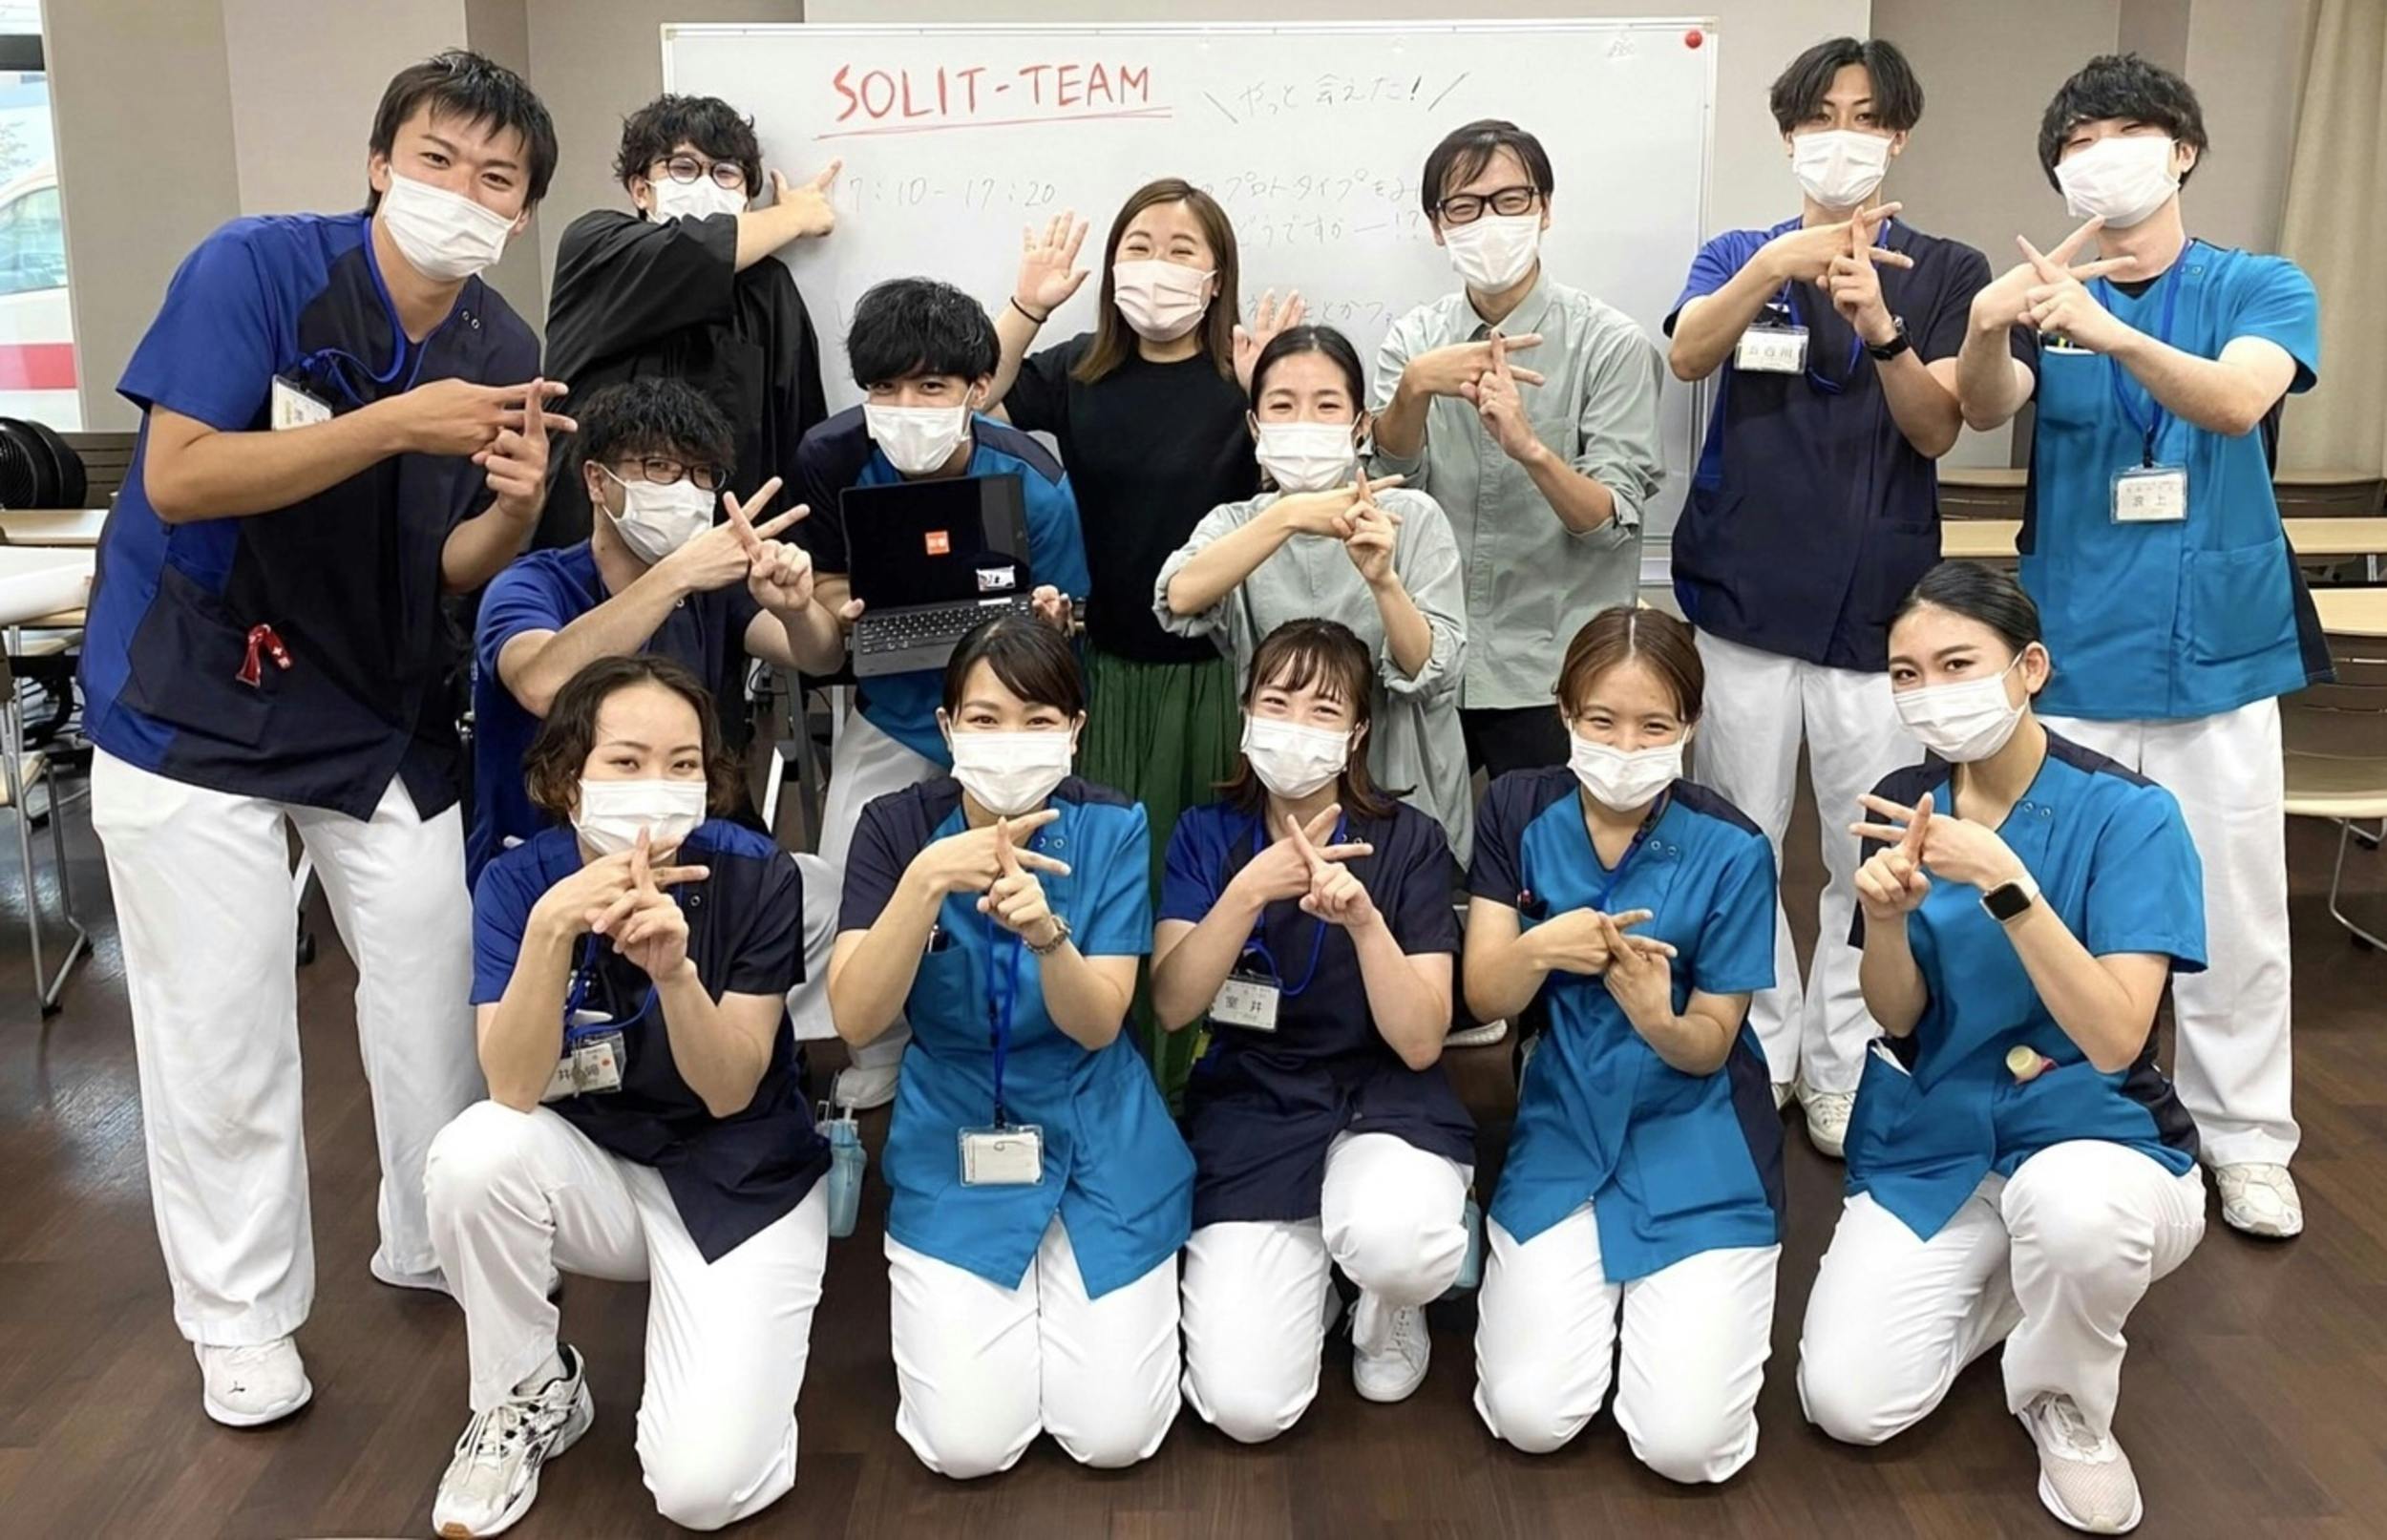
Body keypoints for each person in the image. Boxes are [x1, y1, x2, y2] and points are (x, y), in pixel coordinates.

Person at [79, 51, 561, 1426]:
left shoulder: (503, 350)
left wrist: (516, 514)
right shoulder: (256, 270)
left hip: (368, 698)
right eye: (436, 159)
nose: (461, 192)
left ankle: (430, 1230)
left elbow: (442, 566)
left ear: (522, 210)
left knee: (434, 972)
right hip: (195, 689)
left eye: (496, 178)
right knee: (220, 1025)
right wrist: (392, 424)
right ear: (378, 163)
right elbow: (181, 474)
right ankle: (240, 1318)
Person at [1952, 53, 2324, 1238]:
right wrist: (1985, 325)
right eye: (2076, 142)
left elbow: (2234, 401)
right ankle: (2066, 1115)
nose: (2098, 155)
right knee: (2056, 906)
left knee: (2234, 911)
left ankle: (2246, 1140)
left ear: (2182, 150)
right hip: (2074, 648)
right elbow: (1981, 407)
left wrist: (2106, 333)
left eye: (2123, 131)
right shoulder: (2047, 291)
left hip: (2214, 649)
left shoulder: (2258, 283)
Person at [1799, 562, 2208, 1536]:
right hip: (1940, 1135)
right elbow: (1898, 1015)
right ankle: (2037, 1292)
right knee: (1848, 1402)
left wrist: (2008, 884)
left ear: (2029, 667)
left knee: (2072, 1214)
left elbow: (2115, 1034)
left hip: (2092, 1135)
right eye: (1906, 673)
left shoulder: (2131, 814)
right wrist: (1885, 921)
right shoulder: (1902, 800)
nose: (1929, 691)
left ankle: (2064, 1399)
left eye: (1956, 663)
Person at [1665, 36, 1990, 1150]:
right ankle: (1757, 1044)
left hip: (1877, 612)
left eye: (1863, 117)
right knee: (1743, 839)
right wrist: (1773, 269)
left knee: (1866, 852)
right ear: (1787, 134)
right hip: (1743, 598)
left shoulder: (1946, 269)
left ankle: (1845, 1060)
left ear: (1897, 136)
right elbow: (1687, 356)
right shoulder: (1737, 253)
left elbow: (1936, 426)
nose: (1839, 137)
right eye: (1819, 116)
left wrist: (1878, 325)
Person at [428, 656, 831, 1536]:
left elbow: (730, 1090)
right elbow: (512, 1087)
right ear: (568, 778)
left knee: (702, 1489)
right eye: (626, 761)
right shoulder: (518, 886)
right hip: (599, 1170)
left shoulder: (758, 875)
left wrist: (676, 974)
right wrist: (551, 930)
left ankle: (740, 1362)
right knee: (472, 1153)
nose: (657, 785)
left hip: (743, 1176)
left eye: (682, 764)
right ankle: (527, 1388)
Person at [827, 616, 1192, 1479]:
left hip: (1098, 1125)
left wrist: (1048, 938)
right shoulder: (895, 830)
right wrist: (924, 884)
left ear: (1074, 729)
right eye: (985, 719)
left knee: (1113, 1435)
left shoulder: (1112, 826)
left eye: (1038, 719)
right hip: (958, 1129)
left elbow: (1099, 1021)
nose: (1010, 739)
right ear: (947, 727)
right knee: (968, 1445)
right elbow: (856, 1017)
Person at [987, 178, 1302, 1094]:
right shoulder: (1077, 371)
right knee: (1102, 887)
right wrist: (1026, 307)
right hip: (1104, 672)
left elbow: (1296, 504)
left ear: (1217, 276)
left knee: (1202, 887)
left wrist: (1266, 396)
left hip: (1217, 680)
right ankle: (1109, 1080)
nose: (1157, 266)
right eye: (1139, 246)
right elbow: (977, 393)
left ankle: (1200, 1086)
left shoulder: (1240, 379)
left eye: (1180, 250)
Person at [1467, 607, 1782, 1484]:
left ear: (1690, 725)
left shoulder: (1734, 847)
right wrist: (1539, 947)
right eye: (1602, 720)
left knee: (1685, 1445)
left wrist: (1656, 1015)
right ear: (1564, 711)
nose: (1626, 746)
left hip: (1697, 1128)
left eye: (1654, 725)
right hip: (1567, 1115)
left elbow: (1710, 1043)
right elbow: (1486, 994)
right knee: (1530, 1417)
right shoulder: (1517, 808)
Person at [1155, 619, 1473, 1433]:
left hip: (1385, 1096)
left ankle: (1388, 1297)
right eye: (1276, 701)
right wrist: (1246, 893)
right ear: (1246, 713)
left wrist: (1366, 924)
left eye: (1324, 709)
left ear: (1358, 732)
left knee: (1397, 1238)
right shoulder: (1206, 835)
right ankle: (1320, 1273)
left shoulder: (1410, 843)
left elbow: (1421, 1041)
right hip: (1256, 1104)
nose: (1295, 724)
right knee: (1245, 1407)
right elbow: (1174, 1004)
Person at [792, 277, 1088, 1111]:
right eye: (884, 388)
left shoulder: (1035, 479)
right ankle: (879, 1043)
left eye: (930, 386)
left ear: (978, 388)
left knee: (1029, 872)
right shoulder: (831, 456)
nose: (905, 408)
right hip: (895, 702)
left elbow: (1072, 613)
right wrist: (838, 606)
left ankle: (1019, 1033)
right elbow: (824, 580)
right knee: (852, 869)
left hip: (1007, 704)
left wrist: (1051, 622)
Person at [540, 94, 838, 751]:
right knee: (578, 732)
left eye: (726, 173)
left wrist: (794, 577)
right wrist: (795, 216)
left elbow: (796, 430)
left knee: (697, 738)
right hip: (586, 552)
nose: (705, 183)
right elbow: (695, 254)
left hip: (716, 578)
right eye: (682, 167)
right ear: (639, 188)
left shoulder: (769, 291)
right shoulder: (598, 247)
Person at [1370, 118, 1665, 780]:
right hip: (1430, 656)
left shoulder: (1609, 344)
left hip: (1554, 671)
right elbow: (1391, 488)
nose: (1490, 222)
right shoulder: (1415, 341)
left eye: (1510, 200)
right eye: (1464, 207)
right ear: (1438, 225)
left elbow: (1610, 524)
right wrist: (1413, 390)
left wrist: (1531, 448)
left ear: (1544, 209)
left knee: (1546, 843)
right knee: (1415, 841)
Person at [470, 376, 845, 884]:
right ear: (597, 481)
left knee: (819, 888)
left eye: (701, 474)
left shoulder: (713, 588)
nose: (685, 491)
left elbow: (820, 656)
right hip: (548, 855)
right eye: (659, 467)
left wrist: (797, 608)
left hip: (690, 848)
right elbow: (541, 684)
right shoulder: (531, 585)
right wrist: (676, 574)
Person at [1157, 325, 1470, 859]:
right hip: (1285, 790)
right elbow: (1180, 598)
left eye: (1327, 405)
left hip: (1404, 786)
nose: (1303, 421)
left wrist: (1384, 580)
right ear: (1255, 425)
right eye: (1282, 405)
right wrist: (1289, 516)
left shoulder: (1412, 517)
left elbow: (1430, 673)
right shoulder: (1239, 524)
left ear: (1360, 425)